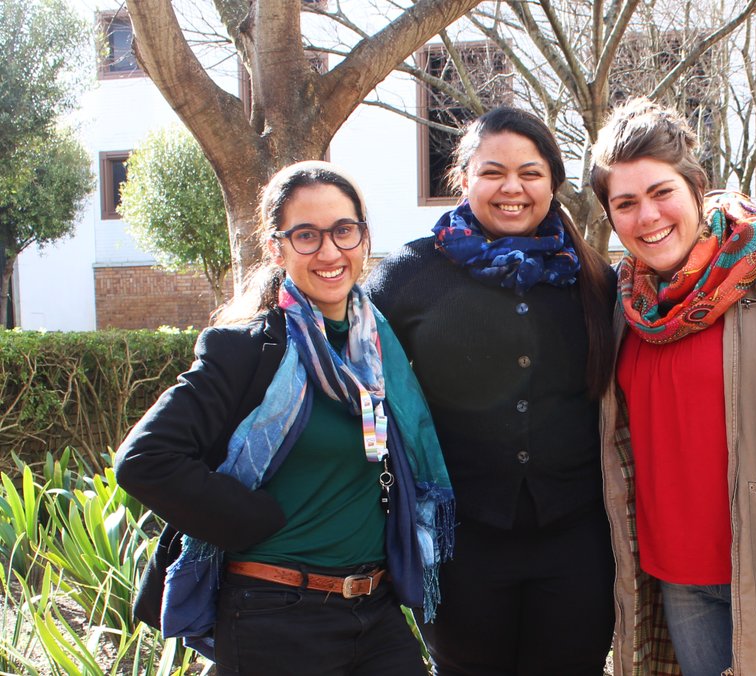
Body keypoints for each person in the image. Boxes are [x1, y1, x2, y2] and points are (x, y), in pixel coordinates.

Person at [115, 161, 454, 675]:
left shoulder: (381, 352)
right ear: (277, 248)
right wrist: (252, 520)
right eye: (306, 235)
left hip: (375, 610)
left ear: (363, 238)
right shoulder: (247, 351)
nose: (329, 251)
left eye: (343, 231)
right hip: (275, 614)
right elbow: (144, 460)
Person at [365, 108, 616, 675]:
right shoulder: (411, 274)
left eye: (530, 173)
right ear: (465, 179)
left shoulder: (595, 279)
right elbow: (345, 352)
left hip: (575, 543)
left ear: (553, 182)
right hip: (461, 547)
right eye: (493, 172)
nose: (512, 188)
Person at [589, 98, 756, 675]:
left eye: (661, 192)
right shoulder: (622, 307)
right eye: (626, 203)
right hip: (676, 572)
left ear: (696, 187)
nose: (647, 217)